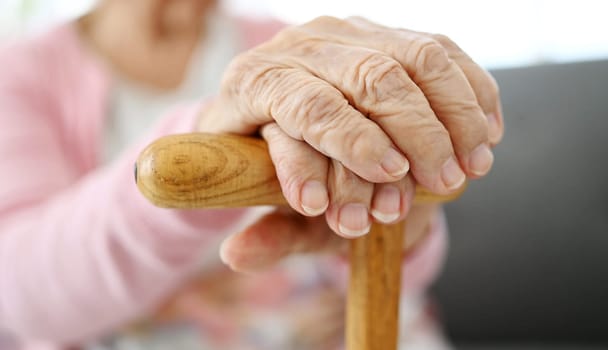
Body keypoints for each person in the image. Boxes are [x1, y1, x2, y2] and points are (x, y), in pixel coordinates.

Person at [0, 0, 504, 349]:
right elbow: (19, 290)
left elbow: (406, 266)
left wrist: (391, 212)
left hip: (339, 327)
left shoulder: (277, 40)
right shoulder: (21, 72)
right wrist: (205, 140)